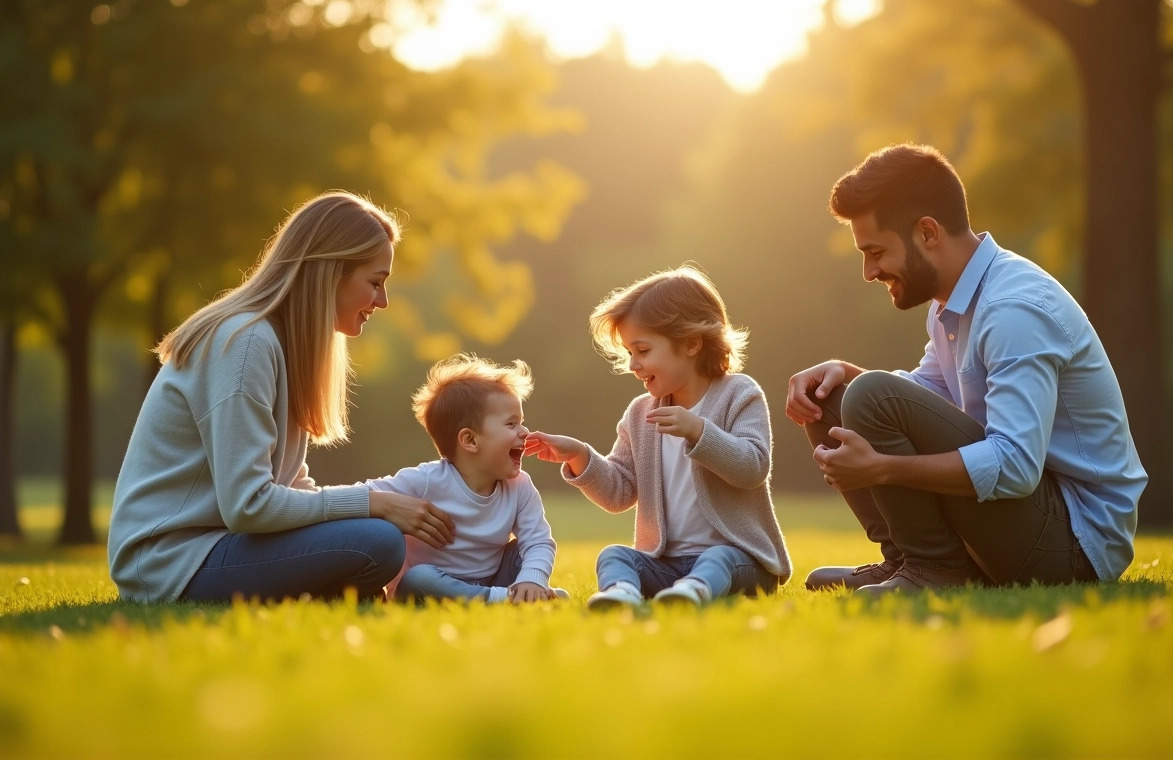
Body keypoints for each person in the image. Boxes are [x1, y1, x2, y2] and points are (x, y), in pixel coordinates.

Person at [786, 144, 1146, 595]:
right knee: (832, 398)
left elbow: (1015, 466)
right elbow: (924, 398)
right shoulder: (950, 304)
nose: (868, 270)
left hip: (1075, 545)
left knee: (869, 396)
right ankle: (906, 561)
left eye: (876, 251)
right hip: (1028, 519)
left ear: (927, 232)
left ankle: (935, 569)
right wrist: (844, 373)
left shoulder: (1013, 309)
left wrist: (883, 469)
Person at [108, 191, 456, 603]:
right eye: (375, 283)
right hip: (171, 562)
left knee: (374, 541)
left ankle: (334, 590)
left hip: (220, 545)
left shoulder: (284, 346)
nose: (382, 301)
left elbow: (289, 483)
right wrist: (373, 504)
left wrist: (378, 511)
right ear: (331, 273)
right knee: (376, 541)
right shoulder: (246, 345)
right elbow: (249, 505)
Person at [526, 266, 791, 609]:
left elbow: (753, 467)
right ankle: (622, 593)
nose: (633, 364)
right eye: (629, 353)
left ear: (692, 343)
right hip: (665, 565)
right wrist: (580, 457)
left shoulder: (739, 394)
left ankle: (695, 590)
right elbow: (619, 493)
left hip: (742, 561)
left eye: (643, 350)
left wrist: (699, 431)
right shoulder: (640, 413)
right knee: (614, 555)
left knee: (719, 557)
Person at [363, 353, 563, 604]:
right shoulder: (425, 480)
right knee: (418, 578)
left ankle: (522, 594)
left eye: (522, 422)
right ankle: (509, 600)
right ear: (470, 440)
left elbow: (538, 540)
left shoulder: (520, 486)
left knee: (524, 552)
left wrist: (533, 579)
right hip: (435, 584)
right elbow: (362, 494)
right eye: (511, 424)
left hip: (496, 577)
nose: (524, 432)